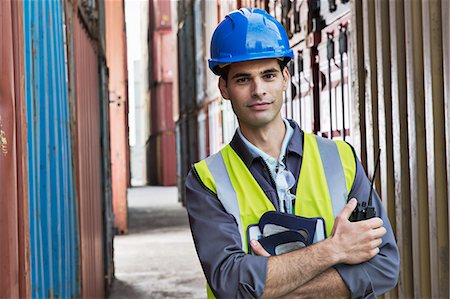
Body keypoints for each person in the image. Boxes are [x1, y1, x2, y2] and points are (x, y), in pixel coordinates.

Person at [185, 7, 399, 299]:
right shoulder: (207, 180)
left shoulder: (340, 158)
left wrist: (279, 287)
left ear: (286, 77)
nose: (259, 90)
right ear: (224, 87)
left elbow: (384, 266)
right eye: (243, 79)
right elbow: (231, 282)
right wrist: (333, 250)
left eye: (268, 75)